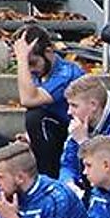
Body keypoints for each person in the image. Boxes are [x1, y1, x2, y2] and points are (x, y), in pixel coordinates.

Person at [12, 25, 85, 178]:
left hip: (75, 137)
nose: (29, 70)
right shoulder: (39, 72)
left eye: (32, 63)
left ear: (49, 51)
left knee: (34, 116)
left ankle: (47, 177)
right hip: (52, 133)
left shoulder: (66, 73)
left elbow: (28, 99)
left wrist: (22, 60)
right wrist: (29, 136)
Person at [59, 75, 110, 198]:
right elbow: (67, 165)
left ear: (93, 105)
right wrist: (69, 183)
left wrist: (83, 142)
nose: (69, 112)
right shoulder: (78, 126)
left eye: (74, 105)